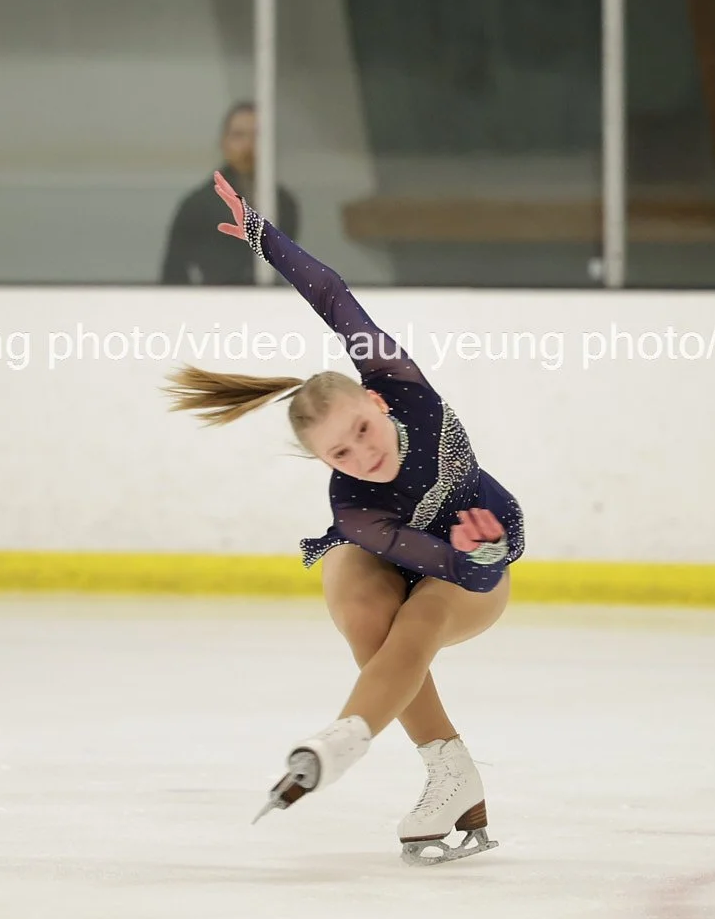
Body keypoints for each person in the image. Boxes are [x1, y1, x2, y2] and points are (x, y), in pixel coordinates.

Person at [163, 171, 524, 866]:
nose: (364, 454)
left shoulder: (400, 382)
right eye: (340, 453)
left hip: (473, 560)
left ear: (375, 400)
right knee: (365, 612)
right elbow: (402, 556)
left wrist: (263, 236)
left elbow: (332, 297)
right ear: (323, 461)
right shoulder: (352, 508)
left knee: (419, 619)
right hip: (407, 554)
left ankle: (347, 739)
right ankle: (447, 770)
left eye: (361, 429)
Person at [160, 102, 300, 285]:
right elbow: (173, 272)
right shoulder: (197, 206)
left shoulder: (283, 203)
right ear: (223, 143)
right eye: (238, 135)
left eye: (257, 136)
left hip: (267, 299)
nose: (248, 145)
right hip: (215, 297)